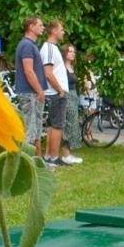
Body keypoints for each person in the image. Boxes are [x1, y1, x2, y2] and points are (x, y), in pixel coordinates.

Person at [39, 20, 72, 168]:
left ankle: (48, 156)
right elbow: (48, 73)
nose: (63, 32)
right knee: (58, 125)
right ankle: (53, 157)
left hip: (54, 92)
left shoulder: (52, 48)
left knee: (53, 125)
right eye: (61, 29)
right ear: (53, 31)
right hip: (55, 93)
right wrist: (59, 90)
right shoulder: (50, 49)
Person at [14, 17, 48, 149]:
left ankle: (37, 162)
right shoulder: (27, 45)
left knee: (36, 129)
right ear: (31, 27)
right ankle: (26, 162)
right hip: (30, 93)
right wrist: (39, 90)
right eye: (40, 25)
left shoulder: (31, 45)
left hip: (33, 93)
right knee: (30, 130)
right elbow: (28, 71)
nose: (43, 27)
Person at [60, 43, 84, 165]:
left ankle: (69, 152)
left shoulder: (71, 66)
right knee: (68, 124)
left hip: (74, 95)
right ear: (64, 53)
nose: (73, 54)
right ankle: (65, 154)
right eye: (70, 52)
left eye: (74, 52)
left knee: (73, 122)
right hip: (67, 95)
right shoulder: (61, 67)